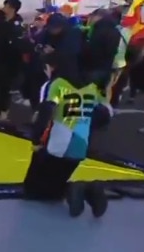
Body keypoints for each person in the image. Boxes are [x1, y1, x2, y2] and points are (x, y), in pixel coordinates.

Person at [22, 59, 111, 217]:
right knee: (55, 184)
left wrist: (36, 140)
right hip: (79, 146)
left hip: (56, 145)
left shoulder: (55, 85)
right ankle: (88, 189)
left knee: (33, 190)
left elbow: (45, 111)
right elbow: (105, 114)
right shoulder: (91, 89)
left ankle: (77, 188)